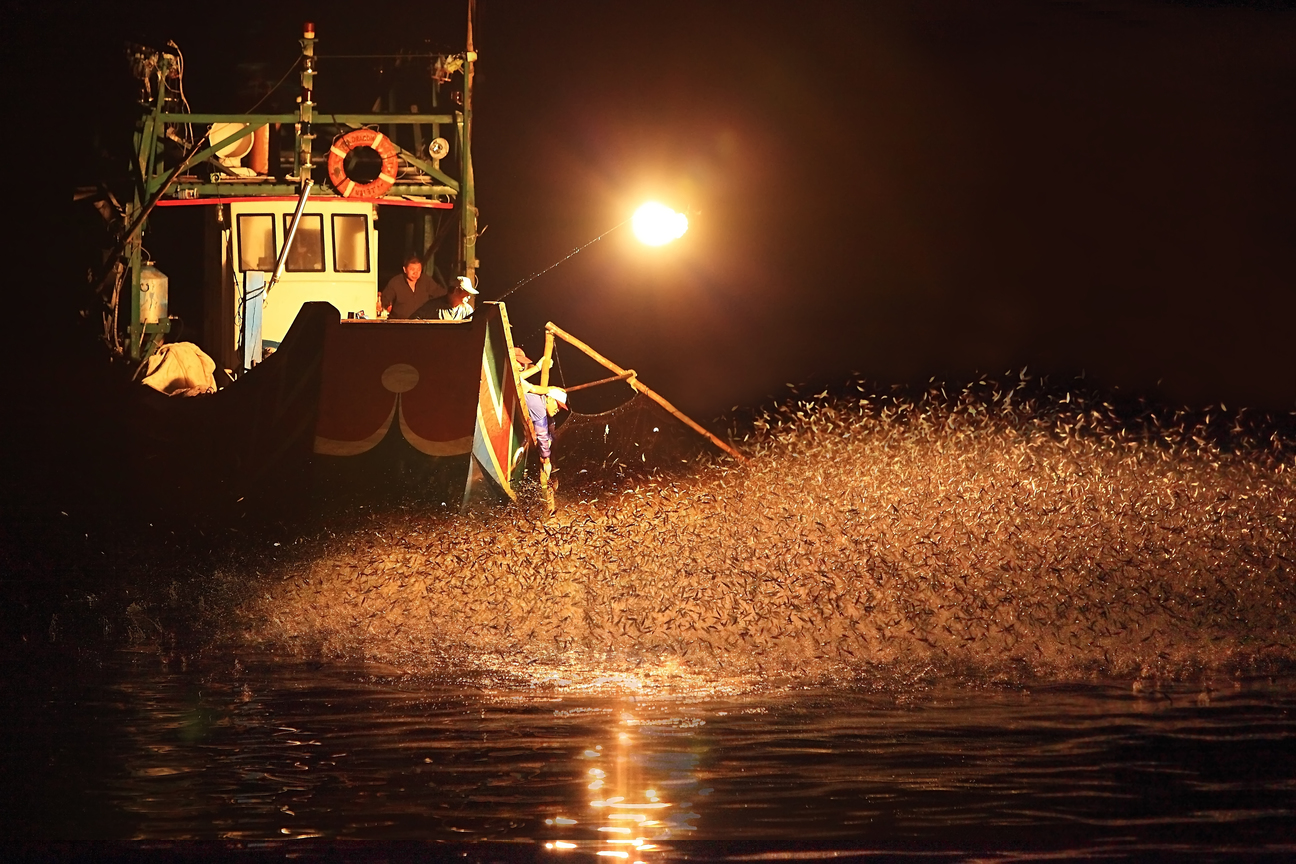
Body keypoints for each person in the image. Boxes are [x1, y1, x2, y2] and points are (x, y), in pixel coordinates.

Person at [379, 254, 446, 319]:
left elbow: (440, 293)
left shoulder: (426, 280)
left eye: (418, 270)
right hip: (400, 323)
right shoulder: (395, 282)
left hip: (422, 322)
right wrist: (386, 305)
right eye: (412, 270)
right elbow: (385, 299)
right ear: (405, 269)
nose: (415, 273)